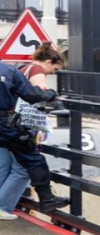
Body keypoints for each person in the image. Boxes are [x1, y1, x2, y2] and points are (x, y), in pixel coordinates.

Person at [11, 43, 67, 212]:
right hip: (21, 124)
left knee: (9, 166)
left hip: (9, 121)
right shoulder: (37, 71)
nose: (53, 73)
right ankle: (47, 199)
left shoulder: (24, 68)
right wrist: (53, 97)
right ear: (49, 62)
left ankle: (7, 203)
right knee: (33, 161)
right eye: (55, 69)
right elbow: (38, 95)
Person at [0, 60, 58, 220]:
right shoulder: (8, 70)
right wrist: (50, 95)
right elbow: (30, 94)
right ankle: (47, 199)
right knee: (32, 159)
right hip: (4, 123)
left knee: (3, 163)